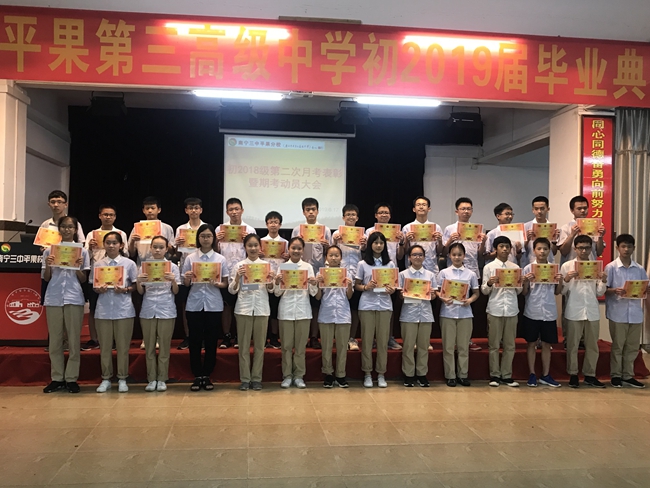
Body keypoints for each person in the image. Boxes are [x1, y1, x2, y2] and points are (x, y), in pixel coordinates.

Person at [42, 216, 90, 394]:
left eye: (70, 227)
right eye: (64, 226)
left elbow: (83, 279)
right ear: (59, 229)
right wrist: (48, 265)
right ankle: (57, 378)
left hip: (73, 297)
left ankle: (71, 378)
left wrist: (77, 268)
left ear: (75, 230)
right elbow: (46, 278)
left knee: (74, 340)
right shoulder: (50, 250)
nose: (67, 230)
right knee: (55, 340)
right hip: (54, 297)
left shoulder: (82, 251)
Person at [181, 224, 229, 391]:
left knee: (211, 340)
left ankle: (207, 375)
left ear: (213, 238)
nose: (206, 239)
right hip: (194, 304)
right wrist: (187, 277)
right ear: (198, 238)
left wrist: (217, 284)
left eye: (209, 236)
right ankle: (197, 375)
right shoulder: (190, 258)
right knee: (194, 340)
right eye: (203, 236)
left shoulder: (220, 259)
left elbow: (225, 283)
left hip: (213, 304)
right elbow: (186, 283)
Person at [228, 234, 274, 391]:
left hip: (262, 309)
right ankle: (245, 379)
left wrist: (271, 280)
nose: (253, 248)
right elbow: (232, 290)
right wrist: (237, 277)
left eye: (255, 245)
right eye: (250, 245)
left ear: (260, 247)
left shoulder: (266, 266)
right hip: (244, 309)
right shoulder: (239, 266)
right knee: (243, 347)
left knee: (260, 347)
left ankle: (256, 378)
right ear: (245, 247)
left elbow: (272, 290)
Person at [94, 232, 138, 393]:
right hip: (103, 310)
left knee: (123, 347)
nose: (111, 246)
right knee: (105, 347)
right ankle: (106, 378)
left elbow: (135, 286)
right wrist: (98, 289)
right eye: (108, 243)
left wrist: (125, 289)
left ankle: (122, 378)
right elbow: (94, 286)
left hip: (124, 309)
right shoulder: (98, 264)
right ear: (104, 245)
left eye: (114, 243)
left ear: (121, 245)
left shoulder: (129, 264)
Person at [561, 235, 607, 388]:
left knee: (592, 345)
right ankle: (573, 374)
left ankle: (590, 374)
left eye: (587, 248)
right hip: (574, 309)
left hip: (591, 310)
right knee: (572, 345)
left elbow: (599, 292)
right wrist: (567, 279)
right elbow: (562, 291)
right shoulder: (567, 266)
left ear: (591, 249)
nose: (584, 251)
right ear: (575, 249)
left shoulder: (596, 266)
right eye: (580, 248)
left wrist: (603, 281)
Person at [136, 235, 181, 392]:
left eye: (161, 247)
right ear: (150, 248)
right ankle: (151, 378)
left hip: (166, 308)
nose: (157, 250)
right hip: (148, 308)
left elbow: (176, 291)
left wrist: (173, 280)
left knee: (164, 347)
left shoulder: (172, 267)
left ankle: (162, 378)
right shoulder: (144, 266)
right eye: (155, 247)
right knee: (149, 347)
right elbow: (140, 292)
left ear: (166, 249)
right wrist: (138, 281)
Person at [605, 234, 650, 388]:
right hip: (617, 312)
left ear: (633, 248)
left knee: (632, 347)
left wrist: (646, 290)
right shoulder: (611, 267)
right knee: (618, 346)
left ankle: (628, 375)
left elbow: (645, 286)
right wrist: (614, 290)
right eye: (623, 246)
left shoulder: (639, 269)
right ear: (617, 248)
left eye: (629, 246)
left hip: (635, 313)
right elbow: (603, 289)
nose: (626, 249)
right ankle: (616, 375)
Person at [442, 197, 487, 352]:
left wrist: (483, 242)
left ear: (472, 211)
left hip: (472, 271)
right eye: (463, 209)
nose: (466, 211)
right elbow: (442, 252)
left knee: (469, 307)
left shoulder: (477, 229)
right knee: (451, 305)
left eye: (469, 209)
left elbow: (481, 255)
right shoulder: (449, 229)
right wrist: (450, 240)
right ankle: (451, 341)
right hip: (452, 274)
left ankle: (466, 340)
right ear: (457, 211)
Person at [274, 237, 319, 389]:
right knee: (286, 347)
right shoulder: (282, 267)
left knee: (300, 347)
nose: (296, 251)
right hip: (286, 310)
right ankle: (287, 375)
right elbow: (277, 293)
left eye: (299, 248)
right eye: (293, 248)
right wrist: (277, 282)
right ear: (289, 249)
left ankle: (299, 376)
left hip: (303, 311)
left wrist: (314, 284)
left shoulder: (308, 267)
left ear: (303, 250)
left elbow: (313, 293)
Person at [83, 204, 128, 351]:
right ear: (100, 216)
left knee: (115, 307)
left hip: (116, 274)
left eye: (111, 215)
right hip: (96, 274)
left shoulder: (121, 233)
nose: (108, 217)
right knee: (94, 308)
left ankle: (113, 340)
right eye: (105, 214)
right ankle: (94, 339)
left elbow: (127, 254)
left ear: (115, 217)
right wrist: (90, 248)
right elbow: (85, 257)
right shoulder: (92, 234)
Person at [355, 231, 396, 388]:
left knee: (382, 342)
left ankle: (380, 373)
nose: (378, 246)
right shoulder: (362, 264)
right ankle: (367, 373)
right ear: (370, 245)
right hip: (367, 305)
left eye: (381, 243)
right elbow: (357, 285)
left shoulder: (390, 264)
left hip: (384, 305)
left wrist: (392, 290)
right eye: (375, 242)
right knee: (366, 341)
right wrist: (366, 287)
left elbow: (394, 285)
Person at [521, 237, 563, 388]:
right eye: (539, 249)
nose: (542, 252)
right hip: (532, 310)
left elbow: (557, 292)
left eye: (545, 249)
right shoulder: (528, 268)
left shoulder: (554, 268)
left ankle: (545, 375)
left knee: (546, 344)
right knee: (531, 343)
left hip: (549, 311)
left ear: (549, 251)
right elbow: (524, 293)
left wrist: (560, 281)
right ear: (534, 251)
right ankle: (532, 374)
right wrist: (526, 281)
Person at [436, 242, 480, 387]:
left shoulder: (471, 274)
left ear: (464, 256)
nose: (457, 257)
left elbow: (476, 293)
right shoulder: (444, 273)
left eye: (459, 254)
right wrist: (442, 298)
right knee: (448, 347)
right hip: (447, 313)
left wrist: (470, 300)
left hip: (465, 314)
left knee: (463, 347)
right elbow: (436, 291)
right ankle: (450, 376)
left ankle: (463, 375)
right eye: (454, 254)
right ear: (449, 256)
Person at [481, 236, 523, 387]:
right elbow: (484, 291)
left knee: (510, 345)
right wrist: (489, 283)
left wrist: (519, 282)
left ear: (510, 249)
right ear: (495, 249)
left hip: (511, 309)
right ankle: (494, 375)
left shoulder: (515, 267)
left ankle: (506, 375)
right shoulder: (489, 267)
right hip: (495, 308)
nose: (505, 249)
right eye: (501, 246)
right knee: (493, 345)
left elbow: (519, 291)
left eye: (507, 246)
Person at [291, 197, 332, 350]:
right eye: (307, 209)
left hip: (318, 272)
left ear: (317, 211)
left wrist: (327, 246)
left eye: (313, 209)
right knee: (300, 303)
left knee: (316, 306)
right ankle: (299, 336)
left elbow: (331, 253)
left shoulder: (325, 230)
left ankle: (314, 337)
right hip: (300, 272)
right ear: (303, 212)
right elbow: (293, 250)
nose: (310, 212)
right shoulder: (297, 230)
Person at [363, 203, 404, 352]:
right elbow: (365, 251)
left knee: (388, 309)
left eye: (386, 212)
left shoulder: (397, 232)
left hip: (389, 272)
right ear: (376, 215)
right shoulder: (369, 231)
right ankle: (373, 339)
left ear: (390, 215)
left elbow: (400, 256)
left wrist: (402, 242)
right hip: (372, 270)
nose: (384, 215)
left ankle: (388, 337)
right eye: (381, 212)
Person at [216, 197, 255, 349]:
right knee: (226, 305)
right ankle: (226, 336)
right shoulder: (220, 230)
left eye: (236, 209)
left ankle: (239, 335)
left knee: (243, 304)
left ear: (242, 210)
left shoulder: (250, 230)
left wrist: (248, 240)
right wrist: (216, 241)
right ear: (227, 212)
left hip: (245, 273)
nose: (234, 212)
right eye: (231, 210)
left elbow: (255, 251)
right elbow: (214, 251)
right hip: (226, 272)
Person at [399, 245, 437, 388]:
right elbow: (399, 296)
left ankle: (421, 374)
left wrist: (432, 294)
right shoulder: (403, 275)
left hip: (426, 314)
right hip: (408, 314)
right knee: (408, 346)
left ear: (424, 257)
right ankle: (408, 375)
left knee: (423, 346)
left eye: (420, 255)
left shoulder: (430, 275)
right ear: (409, 257)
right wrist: (404, 293)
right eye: (414, 255)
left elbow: (434, 296)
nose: (417, 257)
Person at [316, 245, 353, 388]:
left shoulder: (347, 273)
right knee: (326, 346)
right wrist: (318, 285)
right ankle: (328, 374)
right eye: (330, 255)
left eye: (336, 255)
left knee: (342, 347)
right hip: (326, 312)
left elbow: (349, 296)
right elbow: (318, 297)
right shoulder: (321, 273)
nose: (333, 258)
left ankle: (341, 374)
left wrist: (349, 286)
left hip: (343, 313)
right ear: (326, 257)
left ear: (341, 258)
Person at [331, 204, 365, 354]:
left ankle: (351, 337)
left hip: (357, 274)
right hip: (340, 275)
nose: (351, 217)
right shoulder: (336, 234)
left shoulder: (363, 235)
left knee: (355, 308)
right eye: (348, 214)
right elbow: (331, 253)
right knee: (340, 306)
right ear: (343, 217)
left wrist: (364, 246)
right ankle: (339, 338)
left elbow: (366, 255)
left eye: (353, 215)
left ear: (357, 218)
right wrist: (335, 242)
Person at [174, 197, 206, 350]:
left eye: (196, 207)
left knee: (204, 307)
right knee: (186, 306)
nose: (194, 210)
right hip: (186, 273)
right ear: (186, 210)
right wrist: (176, 245)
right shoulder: (181, 229)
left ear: (201, 210)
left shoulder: (206, 228)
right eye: (190, 208)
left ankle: (203, 337)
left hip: (204, 271)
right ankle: (188, 337)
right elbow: (176, 254)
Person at [260, 211, 288, 349]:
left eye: (276, 222)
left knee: (275, 309)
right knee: (264, 309)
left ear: (280, 225)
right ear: (266, 224)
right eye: (270, 222)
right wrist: (258, 255)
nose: (273, 224)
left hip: (279, 280)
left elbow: (290, 263)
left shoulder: (285, 243)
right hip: (263, 280)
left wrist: (288, 257)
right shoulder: (260, 242)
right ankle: (264, 337)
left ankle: (274, 337)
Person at [558, 195, 605, 266]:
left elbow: (599, 252)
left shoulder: (595, 226)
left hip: (590, 266)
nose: (583, 211)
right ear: (572, 210)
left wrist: (600, 236)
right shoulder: (565, 228)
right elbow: (563, 252)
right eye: (579, 208)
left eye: (585, 208)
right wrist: (572, 235)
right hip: (571, 267)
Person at [127, 196, 175, 266]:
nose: (150, 211)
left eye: (152, 208)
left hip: (162, 265)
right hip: (143, 264)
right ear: (143, 210)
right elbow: (131, 253)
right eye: (147, 208)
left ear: (159, 210)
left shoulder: (167, 228)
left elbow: (172, 252)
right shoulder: (137, 228)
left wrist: (162, 240)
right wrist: (132, 241)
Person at [521, 196, 560, 269]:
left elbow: (554, 252)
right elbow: (521, 251)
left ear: (548, 209)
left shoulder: (553, 228)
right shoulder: (526, 227)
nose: (539, 211)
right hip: (530, 264)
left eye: (542, 208)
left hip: (548, 265)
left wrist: (554, 242)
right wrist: (527, 240)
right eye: (536, 209)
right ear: (533, 210)